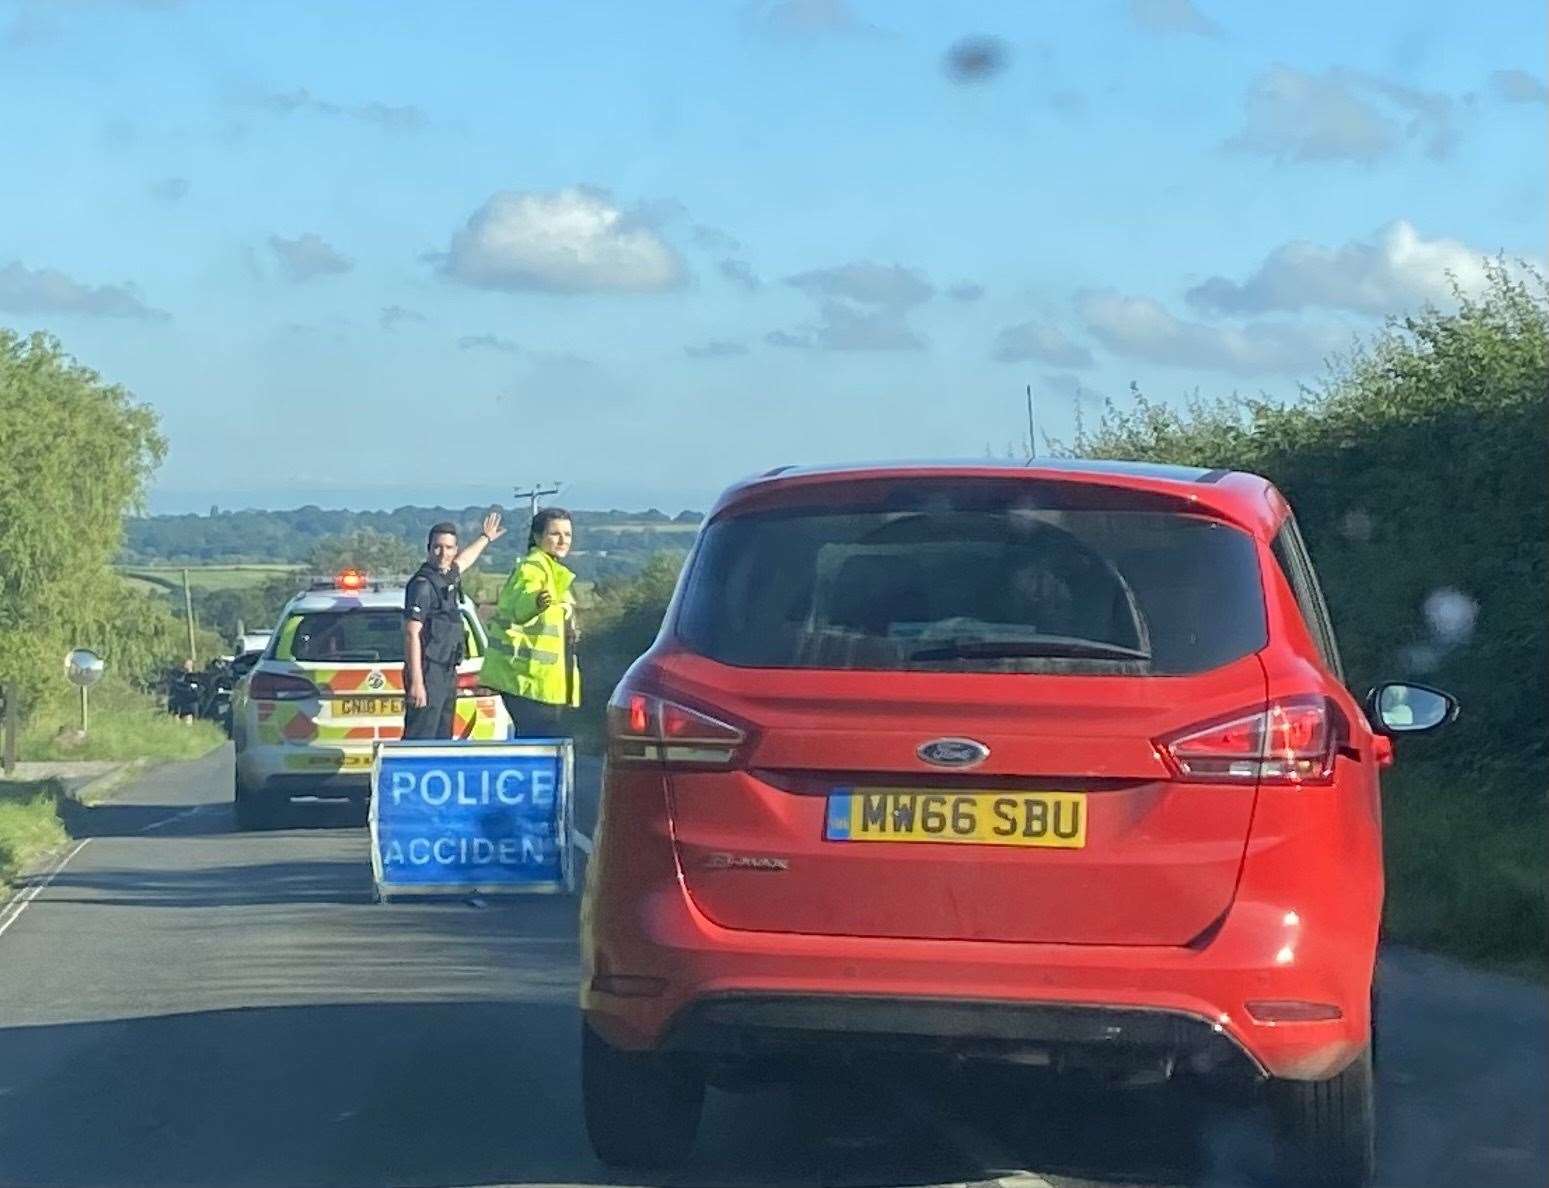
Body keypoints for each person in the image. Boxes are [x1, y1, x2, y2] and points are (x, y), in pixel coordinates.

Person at [402, 512, 505, 740]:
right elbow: (411, 634)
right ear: (429, 548)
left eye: (449, 548)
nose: (443, 553)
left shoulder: (447, 576)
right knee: (421, 738)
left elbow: (464, 561)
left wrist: (485, 538)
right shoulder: (422, 585)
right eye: (437, 547)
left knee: (442, 737)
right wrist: (417, 683)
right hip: (428, 671)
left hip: (447, 670)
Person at [480, 508, 581, 737]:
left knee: (544, 747)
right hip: (527, 681)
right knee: (540, 748)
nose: (563, 540)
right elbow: (520, 604)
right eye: (555, 534)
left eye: (567, 534)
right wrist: (536, 602)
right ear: (537, 537)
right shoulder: (533, 567)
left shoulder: (553, 571)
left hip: (543, 683)